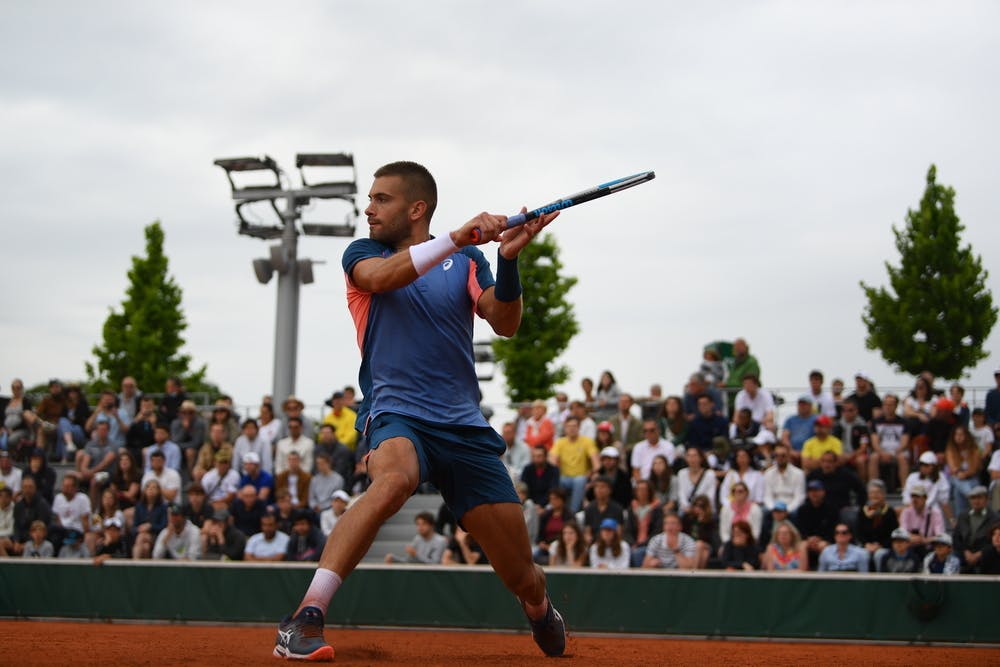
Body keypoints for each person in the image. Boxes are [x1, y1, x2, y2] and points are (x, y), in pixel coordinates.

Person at [273, 161, 566, 660]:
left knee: (521, 574)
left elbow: (505, 322)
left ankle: (539, 609)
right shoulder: (364, 254)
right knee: (393, 479)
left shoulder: (470, 260)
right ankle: (305, 617)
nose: (368, 208)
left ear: (416, 208)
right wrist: (455, 236)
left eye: (380, 199)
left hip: (464, 426)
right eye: (370, 198)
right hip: (397, 411)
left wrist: (510, 260)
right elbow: (383, 278)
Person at [548, 415, 599, 513]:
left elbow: (596, 462)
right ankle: (556, 509)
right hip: (564, 477)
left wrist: (593, 472)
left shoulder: (587, 441)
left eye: (574, 426)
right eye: (569, 426)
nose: (571, 429)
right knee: (557, 479)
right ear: (565, 428)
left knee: (579, 481)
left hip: (581, 477)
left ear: (579, 427)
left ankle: (572, 512)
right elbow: (552, 460)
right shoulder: (560, 442)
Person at [951, 485, 996, 573]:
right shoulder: (963, 516)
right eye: (973, 498)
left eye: (979, 497)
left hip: (985, 555)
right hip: (964, 555)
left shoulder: (994, 518)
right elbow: (956, 538)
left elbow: (994, 542)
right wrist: (965, 551)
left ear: (986, 499)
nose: (976, 501)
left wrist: (979, 554)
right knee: (953, 558)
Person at [794, 480, 838, 569]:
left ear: (823, 492)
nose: (814, 493)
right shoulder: (802, 510)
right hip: (807, 540)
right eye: (811, 491)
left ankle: (822, 573)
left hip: (825, 540)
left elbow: (833, 529)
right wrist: (808, 538)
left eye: (817, 491)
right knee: (802, 545)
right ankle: (802, 572)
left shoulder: (831, 509)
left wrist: (821, 539)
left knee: (823, 546)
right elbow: (800, 529)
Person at [869, 394, 909, 490]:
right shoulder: (875, 422)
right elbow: (875, 443)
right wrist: (882, 453)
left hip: (898, 451)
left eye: (891, 404)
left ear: (896, 406)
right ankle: (873, 487)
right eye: (886, 404)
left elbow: (904, 443)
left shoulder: (904, 422)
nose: (888, 407)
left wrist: (893, 453)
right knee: (873, 457)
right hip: (881, 451)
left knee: (902, 458)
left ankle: (905, 488)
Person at [855, 479, 898, 566]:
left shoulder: (890, 512)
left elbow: (893, 533)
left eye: (878, 492)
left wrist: (880, 546)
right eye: (872, 493)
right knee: (863, 554)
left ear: (883, 495)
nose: (875, 495)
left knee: (879, 554)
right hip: (866, 546)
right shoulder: (863, 512)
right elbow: (858, 533)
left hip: (884, 547)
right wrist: (866, 544)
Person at [898, 484, 944, 559]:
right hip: (909, 547)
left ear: (925, 498)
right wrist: (912, 538)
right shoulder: (906, 512)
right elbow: (902, 532)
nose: (914, 500)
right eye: (913, 497)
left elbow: (939, 536)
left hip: (928, 548)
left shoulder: (935, 513)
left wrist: (925, 540)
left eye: (918, 497)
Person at [945, 425, 982, 517]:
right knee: (957, 481)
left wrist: (965, 474)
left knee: (958, 491)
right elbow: (953, 468)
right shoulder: (950, 450)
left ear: (967, 436)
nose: (958, 437)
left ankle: (960, 520)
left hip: (972, 478)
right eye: (956, 435)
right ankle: (971, 495)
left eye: (961, 435)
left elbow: (974, 469)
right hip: (955, 478)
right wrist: (959, 473)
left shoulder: (974, 450)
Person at [581, 475, 625, 544]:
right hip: (594, 544)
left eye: (602, 487)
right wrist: (588, 538)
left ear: (610, 490)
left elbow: (619, 531)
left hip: (612, 543)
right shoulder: (589, 508)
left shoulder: (617, 509)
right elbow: (587, 530)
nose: (599, 489)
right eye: (596, 487)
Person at [763, 444, 805, 513]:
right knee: (765, 511)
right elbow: (767, 496)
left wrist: (787, 510)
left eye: (783, 455)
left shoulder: (799, 473)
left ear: (788, 456)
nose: (780, 458)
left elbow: (799, 497)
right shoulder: (768, 473)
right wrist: (774, 509)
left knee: (798, 511)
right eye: (777, 455)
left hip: (791, 506)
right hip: (774, 507)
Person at [687, 394, 730, 461]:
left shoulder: (721, 421)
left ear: (712, 404)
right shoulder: (694, 423)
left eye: (705, 404)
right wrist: (702, 453)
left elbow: (724, 440)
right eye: (700, 404)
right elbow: (693, 443)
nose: (702, 406)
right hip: (700, 454)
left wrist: (712, 452)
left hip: (718, 453)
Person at [131, 479, 167, 559]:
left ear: (158, 491)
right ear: (145, 490)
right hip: (141, 538)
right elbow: (133, 528)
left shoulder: (163, 507)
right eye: (148, 488)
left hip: (156, 536)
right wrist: (139, 529)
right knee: (145, 547)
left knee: (142, 537)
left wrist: (150, 527)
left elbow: (164, 526)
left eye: (154, 488)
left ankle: (134, 564)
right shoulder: (139, 506)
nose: (151, 490)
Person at [681, 494, 718, 569]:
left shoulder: (710, 521)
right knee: (704, 554)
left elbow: (708, 538)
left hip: (705, 545)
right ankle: (698, 576)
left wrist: (701, 523)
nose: (698, 508)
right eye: (696, 505)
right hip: (690, 545)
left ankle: (693, 572)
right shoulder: (687, 518)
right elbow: (684, 534)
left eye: (701, 506)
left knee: (699, 544)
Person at [170, 400, 206, 474]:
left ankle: (190, 475)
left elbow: (196, 443)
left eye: (190, 412)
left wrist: (182, 446)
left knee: (190, 452)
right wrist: (184, 429)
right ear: (180, 413)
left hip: (194, 450)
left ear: (194, 413)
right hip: (178, 449)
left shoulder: (199, 423)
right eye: (184, 412)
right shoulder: (175, 423)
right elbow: (175, 441)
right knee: (172, 449)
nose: (187, 415)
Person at [677, 447, 718, 514]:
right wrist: (688, 508)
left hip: (705, 510)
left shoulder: (710, 474)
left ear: (700, 458)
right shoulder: (681, 473)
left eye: (694, 456)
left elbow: (710, 496)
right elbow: (681, 494)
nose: (692, 459)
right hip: (686, 510)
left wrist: (699, 508)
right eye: (689, 456)